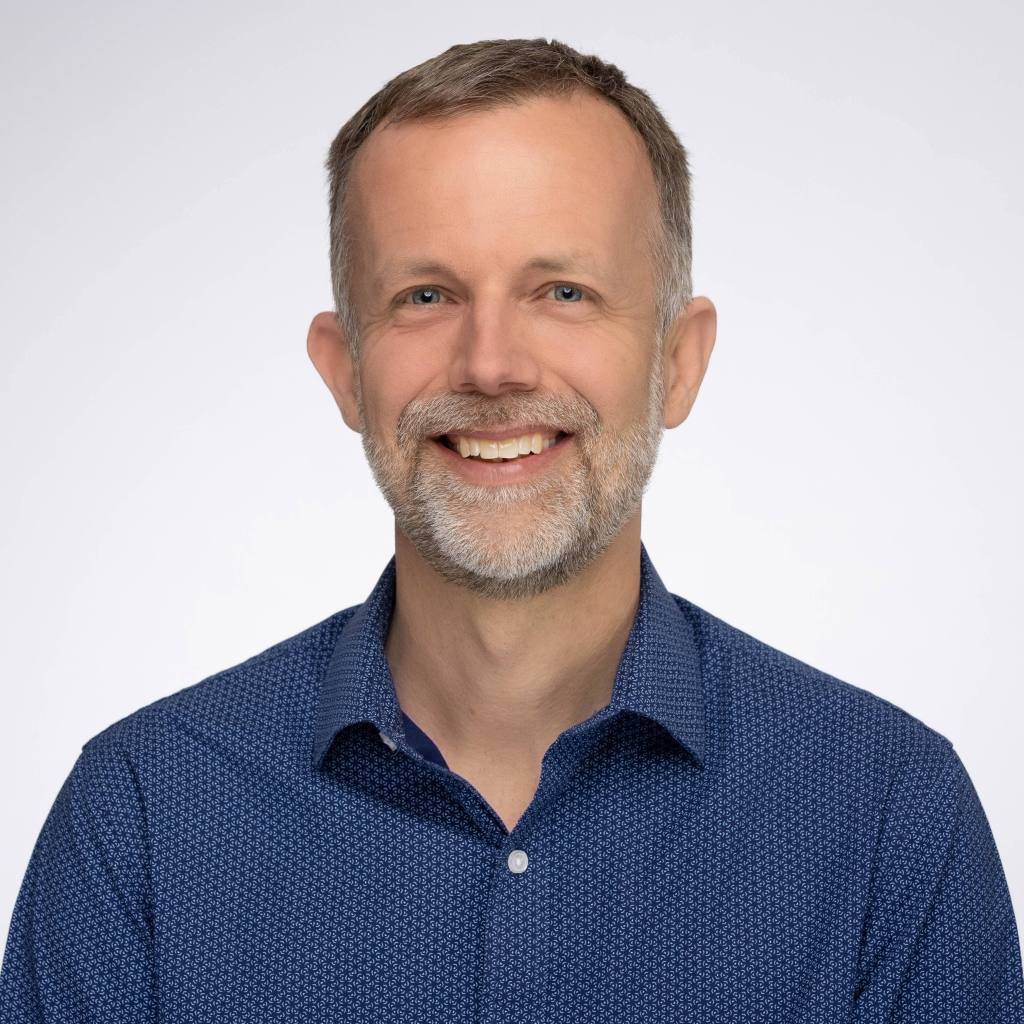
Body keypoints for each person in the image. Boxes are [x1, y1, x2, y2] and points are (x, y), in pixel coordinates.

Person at [1, 35, 1021, 1023]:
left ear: (677, 362)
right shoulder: (142, 817)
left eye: (563, 292)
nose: (491, 364)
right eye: (426, 295)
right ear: (345, 370)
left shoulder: (886, 817)